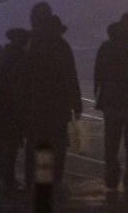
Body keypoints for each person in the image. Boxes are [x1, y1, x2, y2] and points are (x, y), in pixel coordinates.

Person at [24, 11, 82, 191]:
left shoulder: (34, 45)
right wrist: (76, 103)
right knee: (58, 144)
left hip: (38, 103)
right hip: (59, 104)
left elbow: (27, 76)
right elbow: (71, 76)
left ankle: (34, 178)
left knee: (37, 141)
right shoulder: (63, 47)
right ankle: (55, 179)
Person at [94, 13, 128, 195]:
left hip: (111, 100)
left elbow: (98, 74)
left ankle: (112, 177)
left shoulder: (106, 47)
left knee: (111, 142)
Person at [0, 28, 30, 188]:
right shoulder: (21, 58)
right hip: (12, 106)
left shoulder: (1, 55)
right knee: (11, 144)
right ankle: (8, 178)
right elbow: (20, 84)